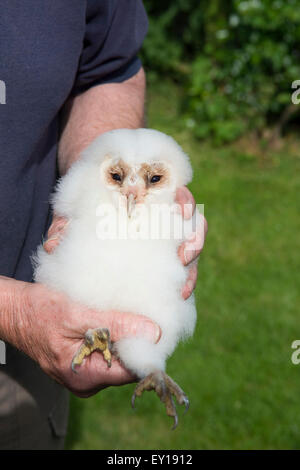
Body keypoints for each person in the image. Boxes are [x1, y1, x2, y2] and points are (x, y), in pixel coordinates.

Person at [0, 1, 207, 449]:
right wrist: (11, 310)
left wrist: (100, 163)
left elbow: (106, 69)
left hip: (24, 361)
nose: (133, 191)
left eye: (153, 179)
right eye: (119, 178)